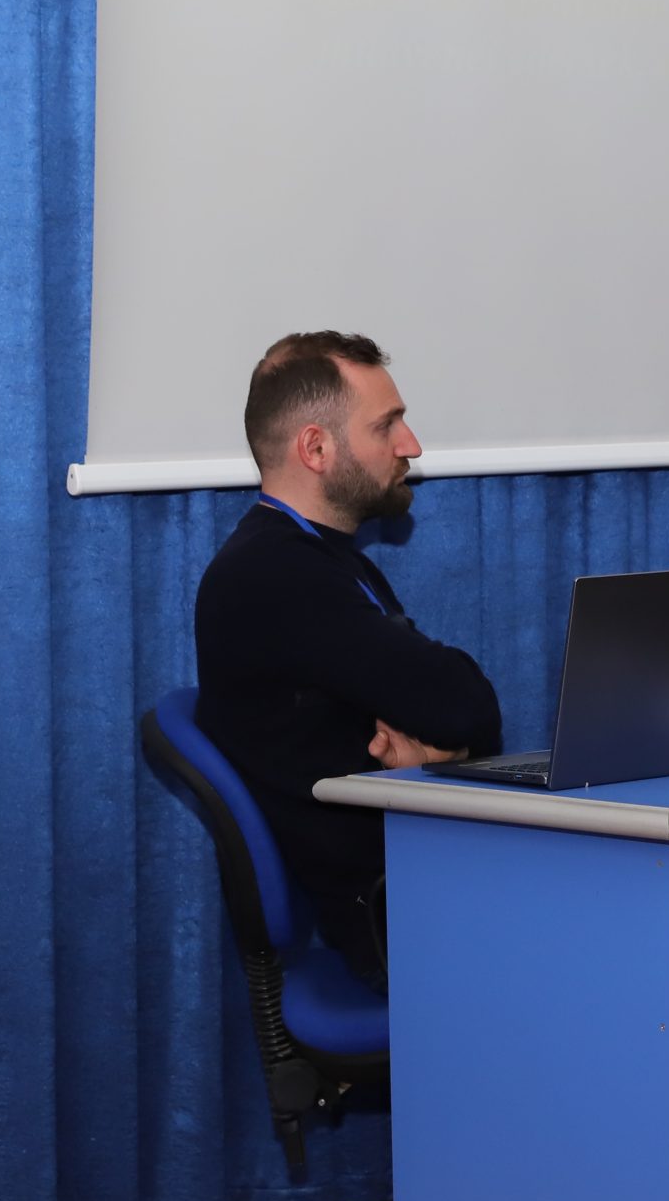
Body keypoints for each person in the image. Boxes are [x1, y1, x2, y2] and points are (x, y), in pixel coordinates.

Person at [194, 332, 502, 988]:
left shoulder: (323, 559)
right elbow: (466, 706)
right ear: (316, 448)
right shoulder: (276, 575)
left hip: (420, 886)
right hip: (398, 922)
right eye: (386, 425)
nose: (411, 445)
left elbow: (445, 711)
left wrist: (437, 748)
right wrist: (446, 739)